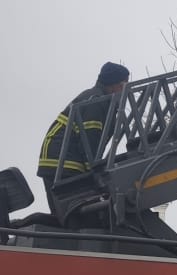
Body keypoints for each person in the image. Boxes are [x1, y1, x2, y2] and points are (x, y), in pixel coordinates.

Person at [38, 61, 130, 207]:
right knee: (79, 211)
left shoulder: (99, 99)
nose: (126, 89)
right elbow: (90, 138)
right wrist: (94, 173)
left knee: (65, 214)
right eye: (124, 84)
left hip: (56, 161)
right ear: (113, 85)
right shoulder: (96, 102)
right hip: (64, 162)